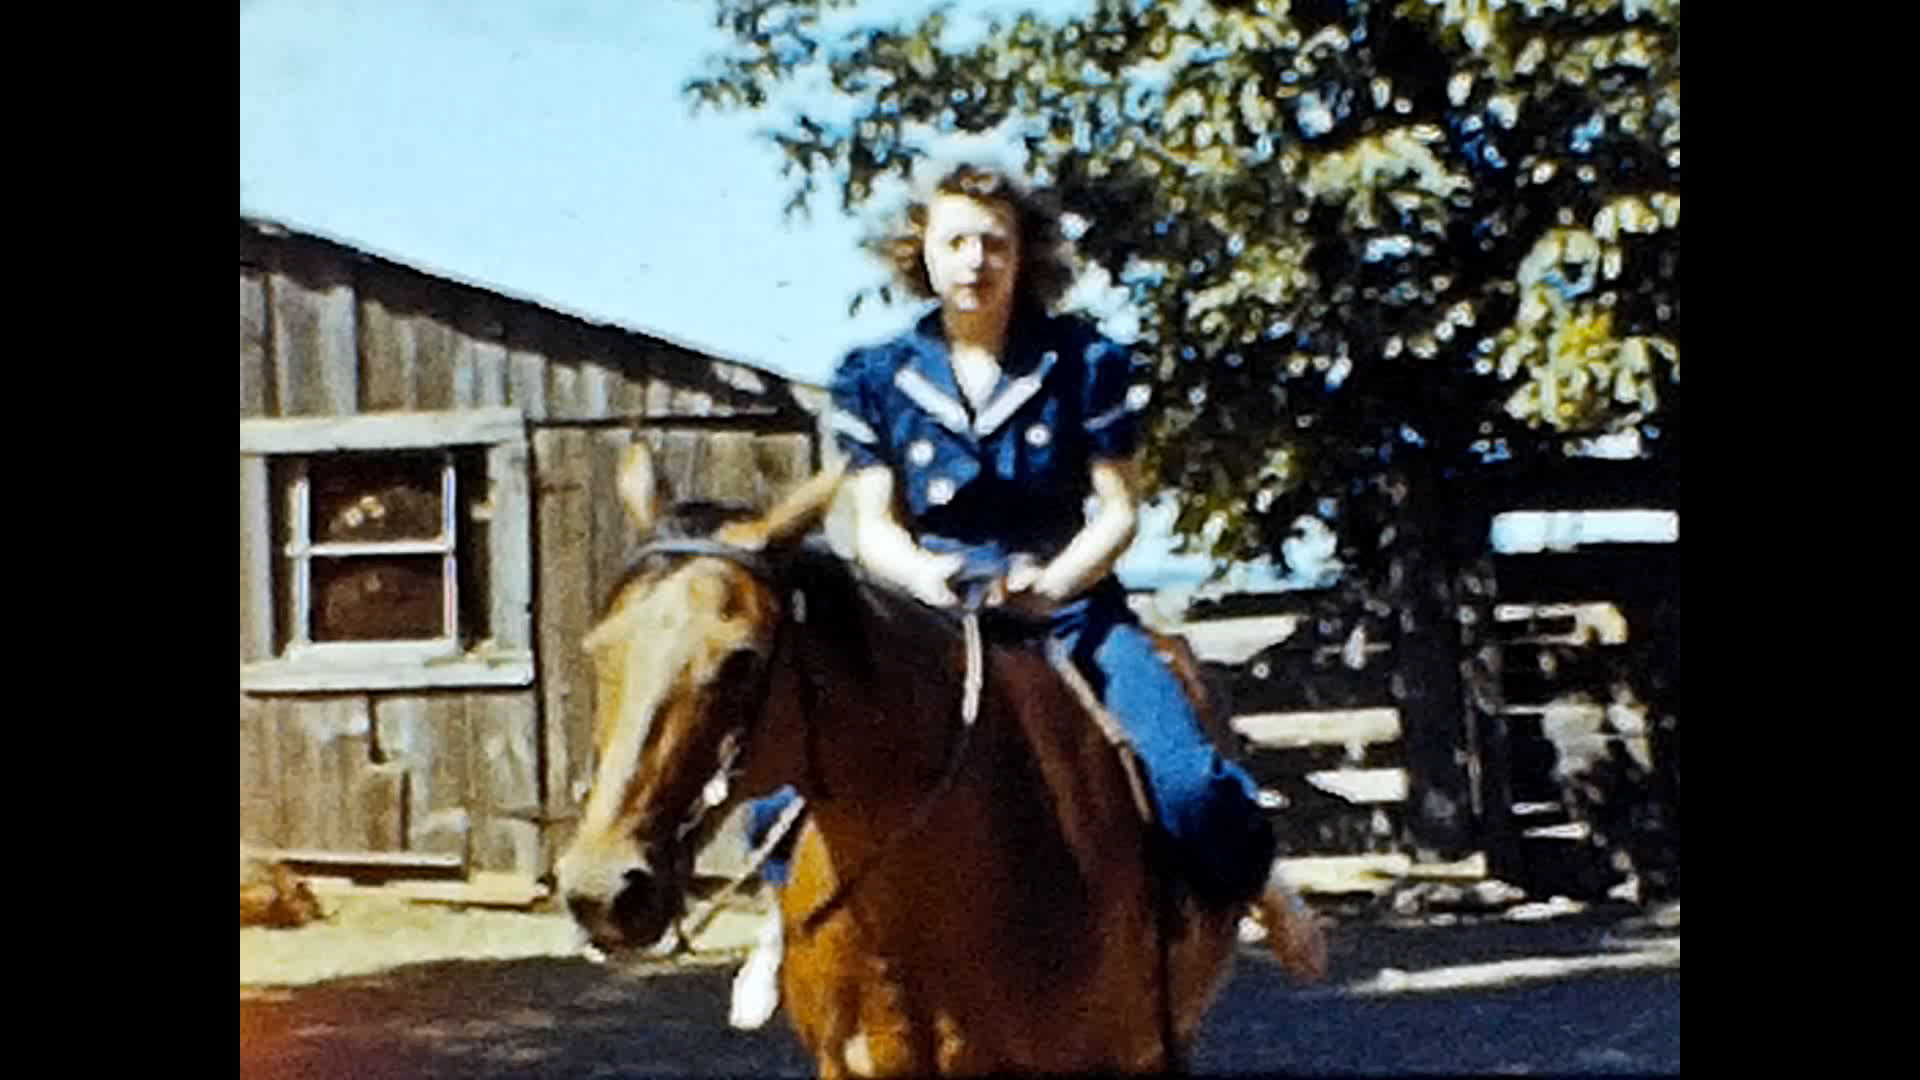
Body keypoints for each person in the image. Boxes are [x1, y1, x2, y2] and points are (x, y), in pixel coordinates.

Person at [728, 164, 1326, 1031]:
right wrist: (923, 576)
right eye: (956, 241)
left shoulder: (1086, 362)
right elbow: (874, 525)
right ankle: (781, 923)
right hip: (928, 609)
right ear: (922, 254)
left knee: (1188, 782)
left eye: (994, 243)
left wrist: (1058, 582)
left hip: (1067, 605)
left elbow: (1119, 510)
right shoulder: (873, 374)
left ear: (1024, 256)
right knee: (783, 782)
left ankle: (1258, 880)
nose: (975, 261)